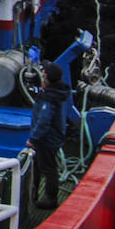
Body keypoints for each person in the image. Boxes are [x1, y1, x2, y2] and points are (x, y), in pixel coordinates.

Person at [25, 61, 71, 209]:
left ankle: (50, 199)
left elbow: (44, 120)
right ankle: (34, 195)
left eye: (44, 74)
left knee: (48, 169)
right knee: (39, 167)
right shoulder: (59, 92)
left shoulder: (49, 98)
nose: (42, 75)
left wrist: (33, 138)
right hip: (54, 136)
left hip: (46, 139)